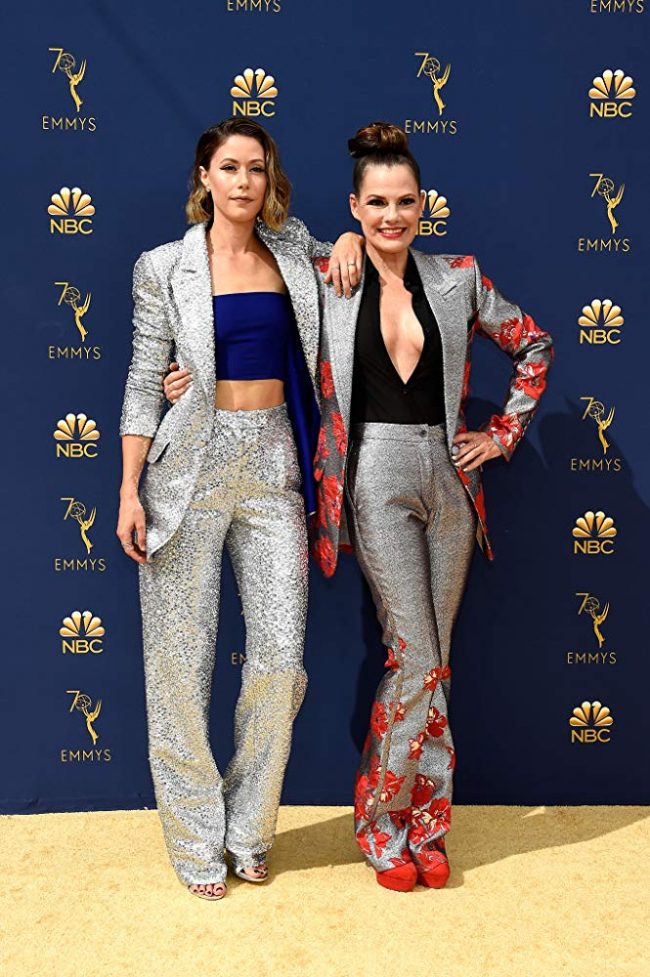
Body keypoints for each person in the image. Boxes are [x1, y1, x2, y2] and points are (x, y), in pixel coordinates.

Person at [116, 117, 362, 900]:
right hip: (185, 466)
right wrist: (127, 489)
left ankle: (250, 825)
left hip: (273, 465)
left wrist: (352, 242)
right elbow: (140, 378)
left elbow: (347, 265)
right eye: (229, 167)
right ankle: (195, 839)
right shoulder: (162, 266)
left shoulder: (294, 251)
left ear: (269, 179)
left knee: (281, 658)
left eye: (257, 168)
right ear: (204, 177)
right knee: (180, 669)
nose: (244, 182)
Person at [309, 122, 553, 891]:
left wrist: (503, 433)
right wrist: (336, 243)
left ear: (423, 206)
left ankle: (429, 824)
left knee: (432, 661)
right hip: (373, 470)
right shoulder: (326, 275)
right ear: (355, 205)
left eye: (404, 201)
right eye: (375, 203)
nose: (391, 215)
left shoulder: (458, 277)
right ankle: (381, 822)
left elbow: (535, 344)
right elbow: (259, 219)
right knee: (413, 652)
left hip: (451, 476)